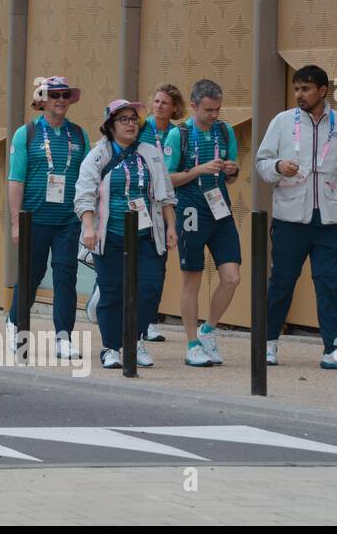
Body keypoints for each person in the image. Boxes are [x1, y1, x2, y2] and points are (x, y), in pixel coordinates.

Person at [255, 65, 337, 370]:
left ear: (323, 91)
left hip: (330, 220)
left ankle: (335, 351)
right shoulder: (282, 121)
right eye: (297, 88)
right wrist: (278, 166)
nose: (299, 94)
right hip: (289, 219)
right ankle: (267, 343)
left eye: (306, 89)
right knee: (281, 283)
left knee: (331, 285)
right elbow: (262, 162)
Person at [76, 100, 178, 369]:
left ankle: (134, 340)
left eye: (134, 119)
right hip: (109, 235)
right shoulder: (98, 155)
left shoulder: (150, 152)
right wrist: (89, 227)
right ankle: (111, 347)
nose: (131, 124)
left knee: (149, 289)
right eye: (124, 119)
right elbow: (84, 194)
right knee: (113, 292)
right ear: (110, 126)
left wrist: (171, 227)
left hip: (147, 235)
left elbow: (166, 194)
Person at [7, 75, 88, 360]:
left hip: (68, 220)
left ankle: (63, 338)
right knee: (31, 275)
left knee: (65, 276)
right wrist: (16, 222)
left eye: (65, 95)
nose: (61, 100)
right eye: (54, 95)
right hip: (35, 219)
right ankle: (15, 324)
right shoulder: (26, 133)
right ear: (42, 100)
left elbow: (88, 179)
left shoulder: (79, 134)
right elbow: (16, 180)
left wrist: (89, 218)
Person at [164, 79, 241, 367]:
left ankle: (208, 330)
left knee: (232, 277)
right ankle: (191, 344)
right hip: (191, 210)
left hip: (220, 209)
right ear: (194, 106)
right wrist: (198, 170)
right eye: (209, 110)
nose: (214, 115)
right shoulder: (179, 135)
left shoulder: (225, 131)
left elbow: (231, 175)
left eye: (218, 109)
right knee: (192, 279)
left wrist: (232, 170)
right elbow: (167, 179)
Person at [136, 83, 184, 342]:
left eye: (164, 103)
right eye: (156, 101)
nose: (158, 106)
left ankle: (150, 320)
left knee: (157, 263)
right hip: (138, 201)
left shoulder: (178, 134)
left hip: (164, 204)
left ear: (175, 107)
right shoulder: (141, 128)